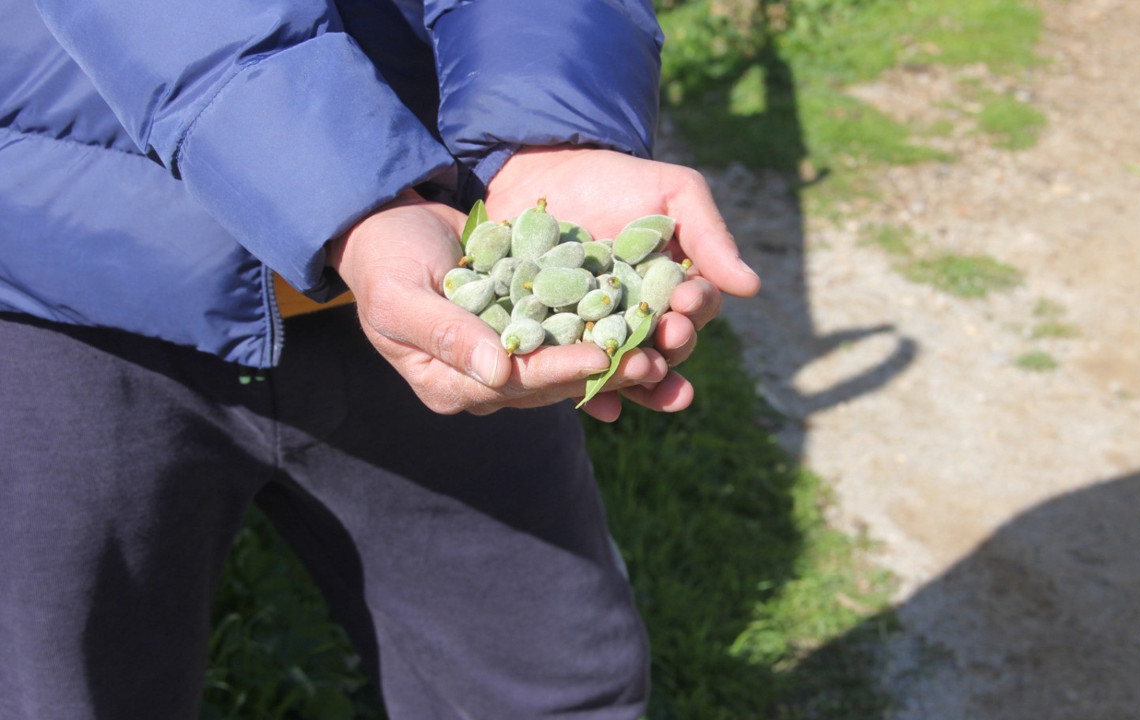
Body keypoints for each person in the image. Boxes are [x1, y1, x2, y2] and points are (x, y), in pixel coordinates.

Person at [0, 0, 760, 718]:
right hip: (71, 298)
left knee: (554, 685)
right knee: (74, 687)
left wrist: (550, 132)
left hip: (431, 260)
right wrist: (354, 199)